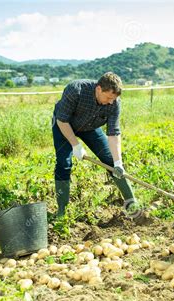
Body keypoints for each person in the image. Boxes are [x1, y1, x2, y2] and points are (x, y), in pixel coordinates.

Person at [52, 72, 137, 217]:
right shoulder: (75, 90)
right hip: (64, 126)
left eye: (114, 99)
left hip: (90, 127)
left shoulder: (114, 103)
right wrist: (76, 145)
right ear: (98, 89)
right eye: (109, 97)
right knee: (63, 164)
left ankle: (132, 206)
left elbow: (113, 133)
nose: (111, 102)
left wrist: (118, 162)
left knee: (111, 162)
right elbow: (62, 120)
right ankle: (62, 212)